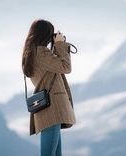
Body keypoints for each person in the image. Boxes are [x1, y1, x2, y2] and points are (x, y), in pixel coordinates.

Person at [21, 19, 76, 156]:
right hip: (53, 108)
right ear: (45, 35)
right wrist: (59, 44)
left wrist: (56, 46)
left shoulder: (31, 53)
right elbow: (65, 67)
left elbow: (53, 66)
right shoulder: (41, 52)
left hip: (47, 108)